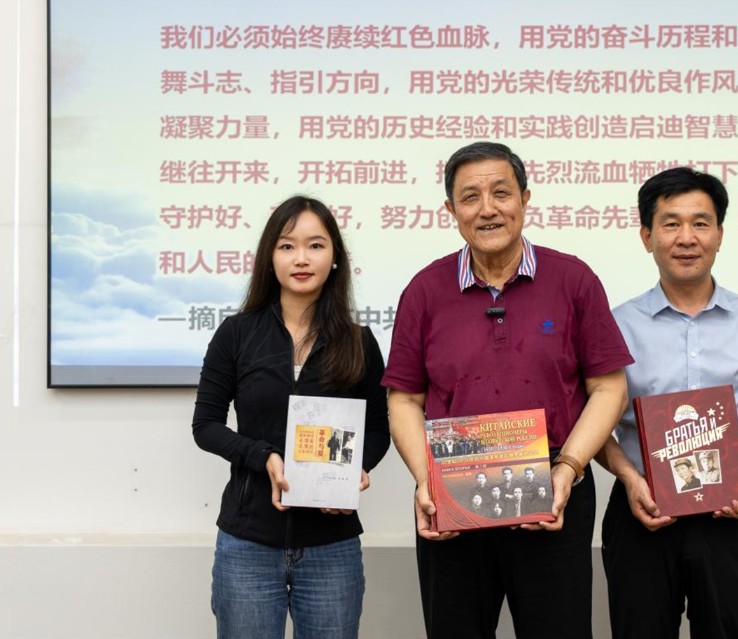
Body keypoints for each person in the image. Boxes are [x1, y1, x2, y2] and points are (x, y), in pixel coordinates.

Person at [382, 141, 632, 639]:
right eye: (470, 197)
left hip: (554, 488)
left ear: (525, 199)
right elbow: (404, 398)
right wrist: (427, 482)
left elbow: (608, 388)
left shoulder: (574, 279)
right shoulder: (425, 290)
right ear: (451, 210)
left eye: (501, 193)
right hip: (452, 487)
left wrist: (568, 469)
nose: (488, 209)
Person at [595, 168, 738, 639]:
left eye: (700, 223)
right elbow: (593, 425)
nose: (686, 238)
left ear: (720, 235)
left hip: (732, 515)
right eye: (671, 224)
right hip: (642, 512)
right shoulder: (616, 326)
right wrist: (629, 478)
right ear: (646, 237)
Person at [192, 196, 391, 639]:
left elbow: (379, 429)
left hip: (332, 545)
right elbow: (205, 426)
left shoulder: (359, 341)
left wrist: (357, 468)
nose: (301, 258)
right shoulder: (236, 333)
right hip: (247, 542)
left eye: (315, 245)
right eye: (287, 246)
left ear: (335, 257)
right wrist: (263, 456)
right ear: (270, 257)